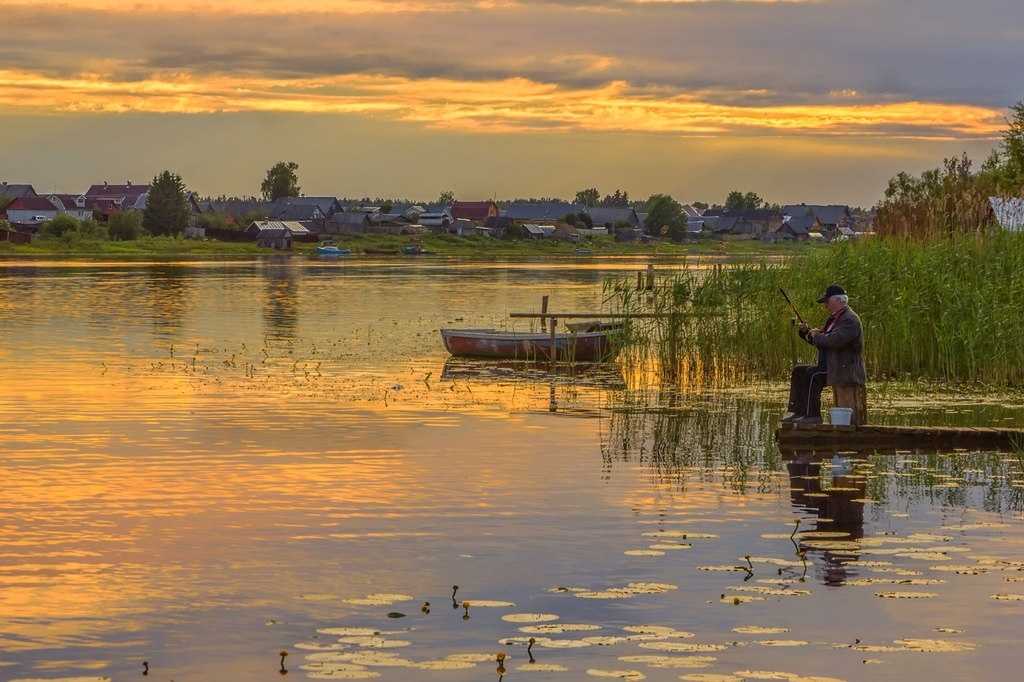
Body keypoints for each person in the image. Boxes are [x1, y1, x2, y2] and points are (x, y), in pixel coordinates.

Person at [782, 284, 866, 423]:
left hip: (844, 370)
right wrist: (806, 333)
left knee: (813, 374)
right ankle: (797, 413)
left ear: (838, 301)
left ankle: (812, 416)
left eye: (827, 301)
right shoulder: (834, 319)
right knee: (799, 371)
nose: (825, 305)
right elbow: (821, 341)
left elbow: (835, 340)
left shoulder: (850, 319)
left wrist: (816, 336)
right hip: (831, 367)